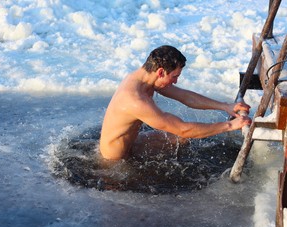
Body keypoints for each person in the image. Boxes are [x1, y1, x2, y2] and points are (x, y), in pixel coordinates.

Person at [99, 45, 251, 160]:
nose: (176, 81)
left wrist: (225, 106)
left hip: (133, 143)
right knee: (184, 134)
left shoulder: (147, 79)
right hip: (115, 161)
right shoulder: (135, 99)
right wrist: (230, 126)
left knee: (182, 140)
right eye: (174, 76)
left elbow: (185, 96)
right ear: (160, 72)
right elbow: (183, 129)